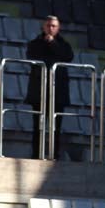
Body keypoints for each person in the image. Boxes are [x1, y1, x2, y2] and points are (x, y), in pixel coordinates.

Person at [25, 15, 74, 160]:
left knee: (56, 126)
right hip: (39, 90)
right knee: (38, 125)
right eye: (48, 26)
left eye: (53, 26)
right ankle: (36, 154)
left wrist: (53, 44)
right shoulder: (35, 43)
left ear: (58, 28)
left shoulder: (63, 44)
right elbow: (31, 55)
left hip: (57, 92)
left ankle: (54, 154)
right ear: (43, 27)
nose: (50, 29)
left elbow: (68, 56)